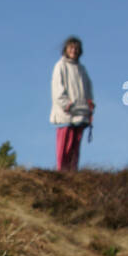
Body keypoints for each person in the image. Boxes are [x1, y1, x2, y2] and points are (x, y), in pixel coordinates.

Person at [50, 37, 94, 171]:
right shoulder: (60, 66)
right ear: (66, 49)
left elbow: (88, 89)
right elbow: (57, 88)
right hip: (66, 113)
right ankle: (61, 171)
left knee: (75, 146)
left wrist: (90, 106)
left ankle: (72, 171)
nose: (74, 51)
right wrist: (66, 105)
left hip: (80, 112)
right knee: (64, 145)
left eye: (76, 48)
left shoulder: (82, 69)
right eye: (71, 48)